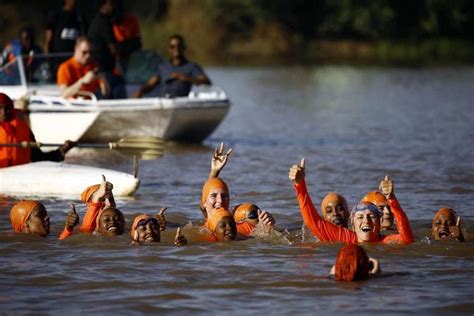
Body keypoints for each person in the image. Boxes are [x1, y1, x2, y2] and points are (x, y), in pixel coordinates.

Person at [288, 158, 414, 244]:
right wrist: (300, 185)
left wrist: (392, 200)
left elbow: (407, 239)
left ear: (379, 222)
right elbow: (312, 221)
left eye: (371, 216)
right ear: (352, 224)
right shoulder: (346, 237)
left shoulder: (387, 241)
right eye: (360, 217)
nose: (366, 221)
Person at [0, 93, 75, 168]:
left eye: (7, 108)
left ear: (12, 108)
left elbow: (38, 157)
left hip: (21, 174)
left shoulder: (22, 128)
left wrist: (61, 150)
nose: (4, 112)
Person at [133, 34, 211, 98]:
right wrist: (141, 91)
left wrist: (185, 78)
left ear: (183, 47)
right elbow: (150, 84)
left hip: (182, 103)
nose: (176, 49)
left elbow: (206, 81)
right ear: (169, 49)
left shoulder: (192, 66)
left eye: (178, 46)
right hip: (163, 102)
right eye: (172, 46)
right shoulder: (162, 67)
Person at [87, 0, 126, 98]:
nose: (112, 7)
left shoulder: (97, 20)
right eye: (111, 4)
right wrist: (118, 61)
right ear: (104, 5)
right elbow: (111, 45)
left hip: (101, 65)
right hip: (104, 66)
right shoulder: (103, 21)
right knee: (113, 90)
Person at [113, 0, 142, 72]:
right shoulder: (113, 23)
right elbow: (119, 46)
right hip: (121, 59)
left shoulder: (132, 19)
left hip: (134, 58)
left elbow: (138, 42)